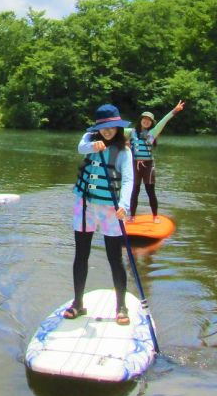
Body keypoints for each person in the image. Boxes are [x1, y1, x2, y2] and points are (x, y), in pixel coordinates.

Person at [65, 103, 136, 324]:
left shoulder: (124, 152)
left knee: (115, 257)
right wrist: (93, 144)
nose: (107, 131)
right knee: (81, 254)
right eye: (104, 127)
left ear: (118, 127)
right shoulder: (89, 141)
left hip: (111, 209)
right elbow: (81, 148)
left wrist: (124, 204)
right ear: (97, 127)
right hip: (85, 205)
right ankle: (78, 303)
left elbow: (127, 180)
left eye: (112, 127)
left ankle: (121, 306)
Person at [128, 100, 186, 221]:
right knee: (135, 191)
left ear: (151, 123)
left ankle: (155, 216)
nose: (146, 121)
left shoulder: (153, 133)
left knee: (150, 191)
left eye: (149, 120)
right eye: (144, 119)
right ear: (140, 120)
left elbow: (164, 120)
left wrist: (175, 110)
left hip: (148, 165)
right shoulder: (131, 132)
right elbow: (115, 132)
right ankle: (132, 217)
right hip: (134, 165)